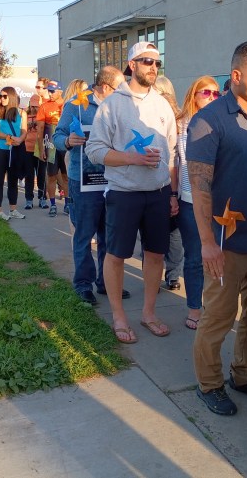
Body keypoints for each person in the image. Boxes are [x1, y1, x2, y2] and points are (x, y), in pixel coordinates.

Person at [187, 40, 247, 415]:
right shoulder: (209, 120)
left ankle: (244, 375)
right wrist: (207, 243)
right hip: (225, 241)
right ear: (237, 75)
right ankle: (209, 384)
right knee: (218, 318)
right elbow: (200, 185)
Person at [86, 41, 179, 343]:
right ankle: (118, 316)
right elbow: (95, 150)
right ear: (132, 65)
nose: (153, 67)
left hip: (158, 192)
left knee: (154, 255)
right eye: (146, 61)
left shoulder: (163, 105)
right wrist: (132, 158)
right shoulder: (113, 104)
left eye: (157, 63)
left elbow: (173, 153)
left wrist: (173, 193)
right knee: (116, 255)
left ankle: (148, 313)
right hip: (124, 192)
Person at [54, 69, 131, 304]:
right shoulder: (76, 105)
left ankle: (106, 282)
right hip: (84, 182)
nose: (124, 92)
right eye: (120, 87)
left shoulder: (120, 106)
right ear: (106, 88)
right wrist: (68, 141)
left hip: (113, 181)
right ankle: (83, 284)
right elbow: (57, 136)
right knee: (84, 235)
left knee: (109, 236)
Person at [175, 75, 220, 329]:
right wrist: (172, 196)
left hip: (218, 202)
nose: (212, 98)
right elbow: (176, 162)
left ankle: (213, 305)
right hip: (190, 200)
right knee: (194, 256)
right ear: (194, 95)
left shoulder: (221, 122)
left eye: (216, 94)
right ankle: (194, 307)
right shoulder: (181, 124)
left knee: (218, 257)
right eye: (206, 93)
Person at [153, 75, 184, 291]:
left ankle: (166, 275)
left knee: (167, 233)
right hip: (161, 183)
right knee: (166, 234)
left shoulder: (177, 117)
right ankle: (166, 275)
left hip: (169, 182)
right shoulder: (145, 113)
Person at [0, 86, 27, 220]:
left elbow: (24, 130)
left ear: (11, 97)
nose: (2, 99)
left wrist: (20, 139)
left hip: (15, 150)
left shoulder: (22, 113)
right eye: (0, 96)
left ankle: (13, 209)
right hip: (1, 150)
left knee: (13, 181)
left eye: (5, 96)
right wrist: (10, 138)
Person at [36, 81, 68, 217]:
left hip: (66, 145)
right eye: (48, 91)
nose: (49, 93)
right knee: (51, 176)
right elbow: (40, 129)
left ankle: (68, 204)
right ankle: (53, 204)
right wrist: (41, 148)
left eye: (52, 91)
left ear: (60, 91)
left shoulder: (68, 104)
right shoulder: (44, 106)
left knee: (67, 177)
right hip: (51, 145)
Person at [24, 79, 49, 210]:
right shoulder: (25, 115)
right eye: (32, 106)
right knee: (29, 174)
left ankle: (42, 198)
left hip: (40, 148)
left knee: (41, 175)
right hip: (28, 148)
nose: (34, 108)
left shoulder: (43, 115)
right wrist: (29, 125)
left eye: (36, 106)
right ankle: (28, 199)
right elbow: (20, 130)